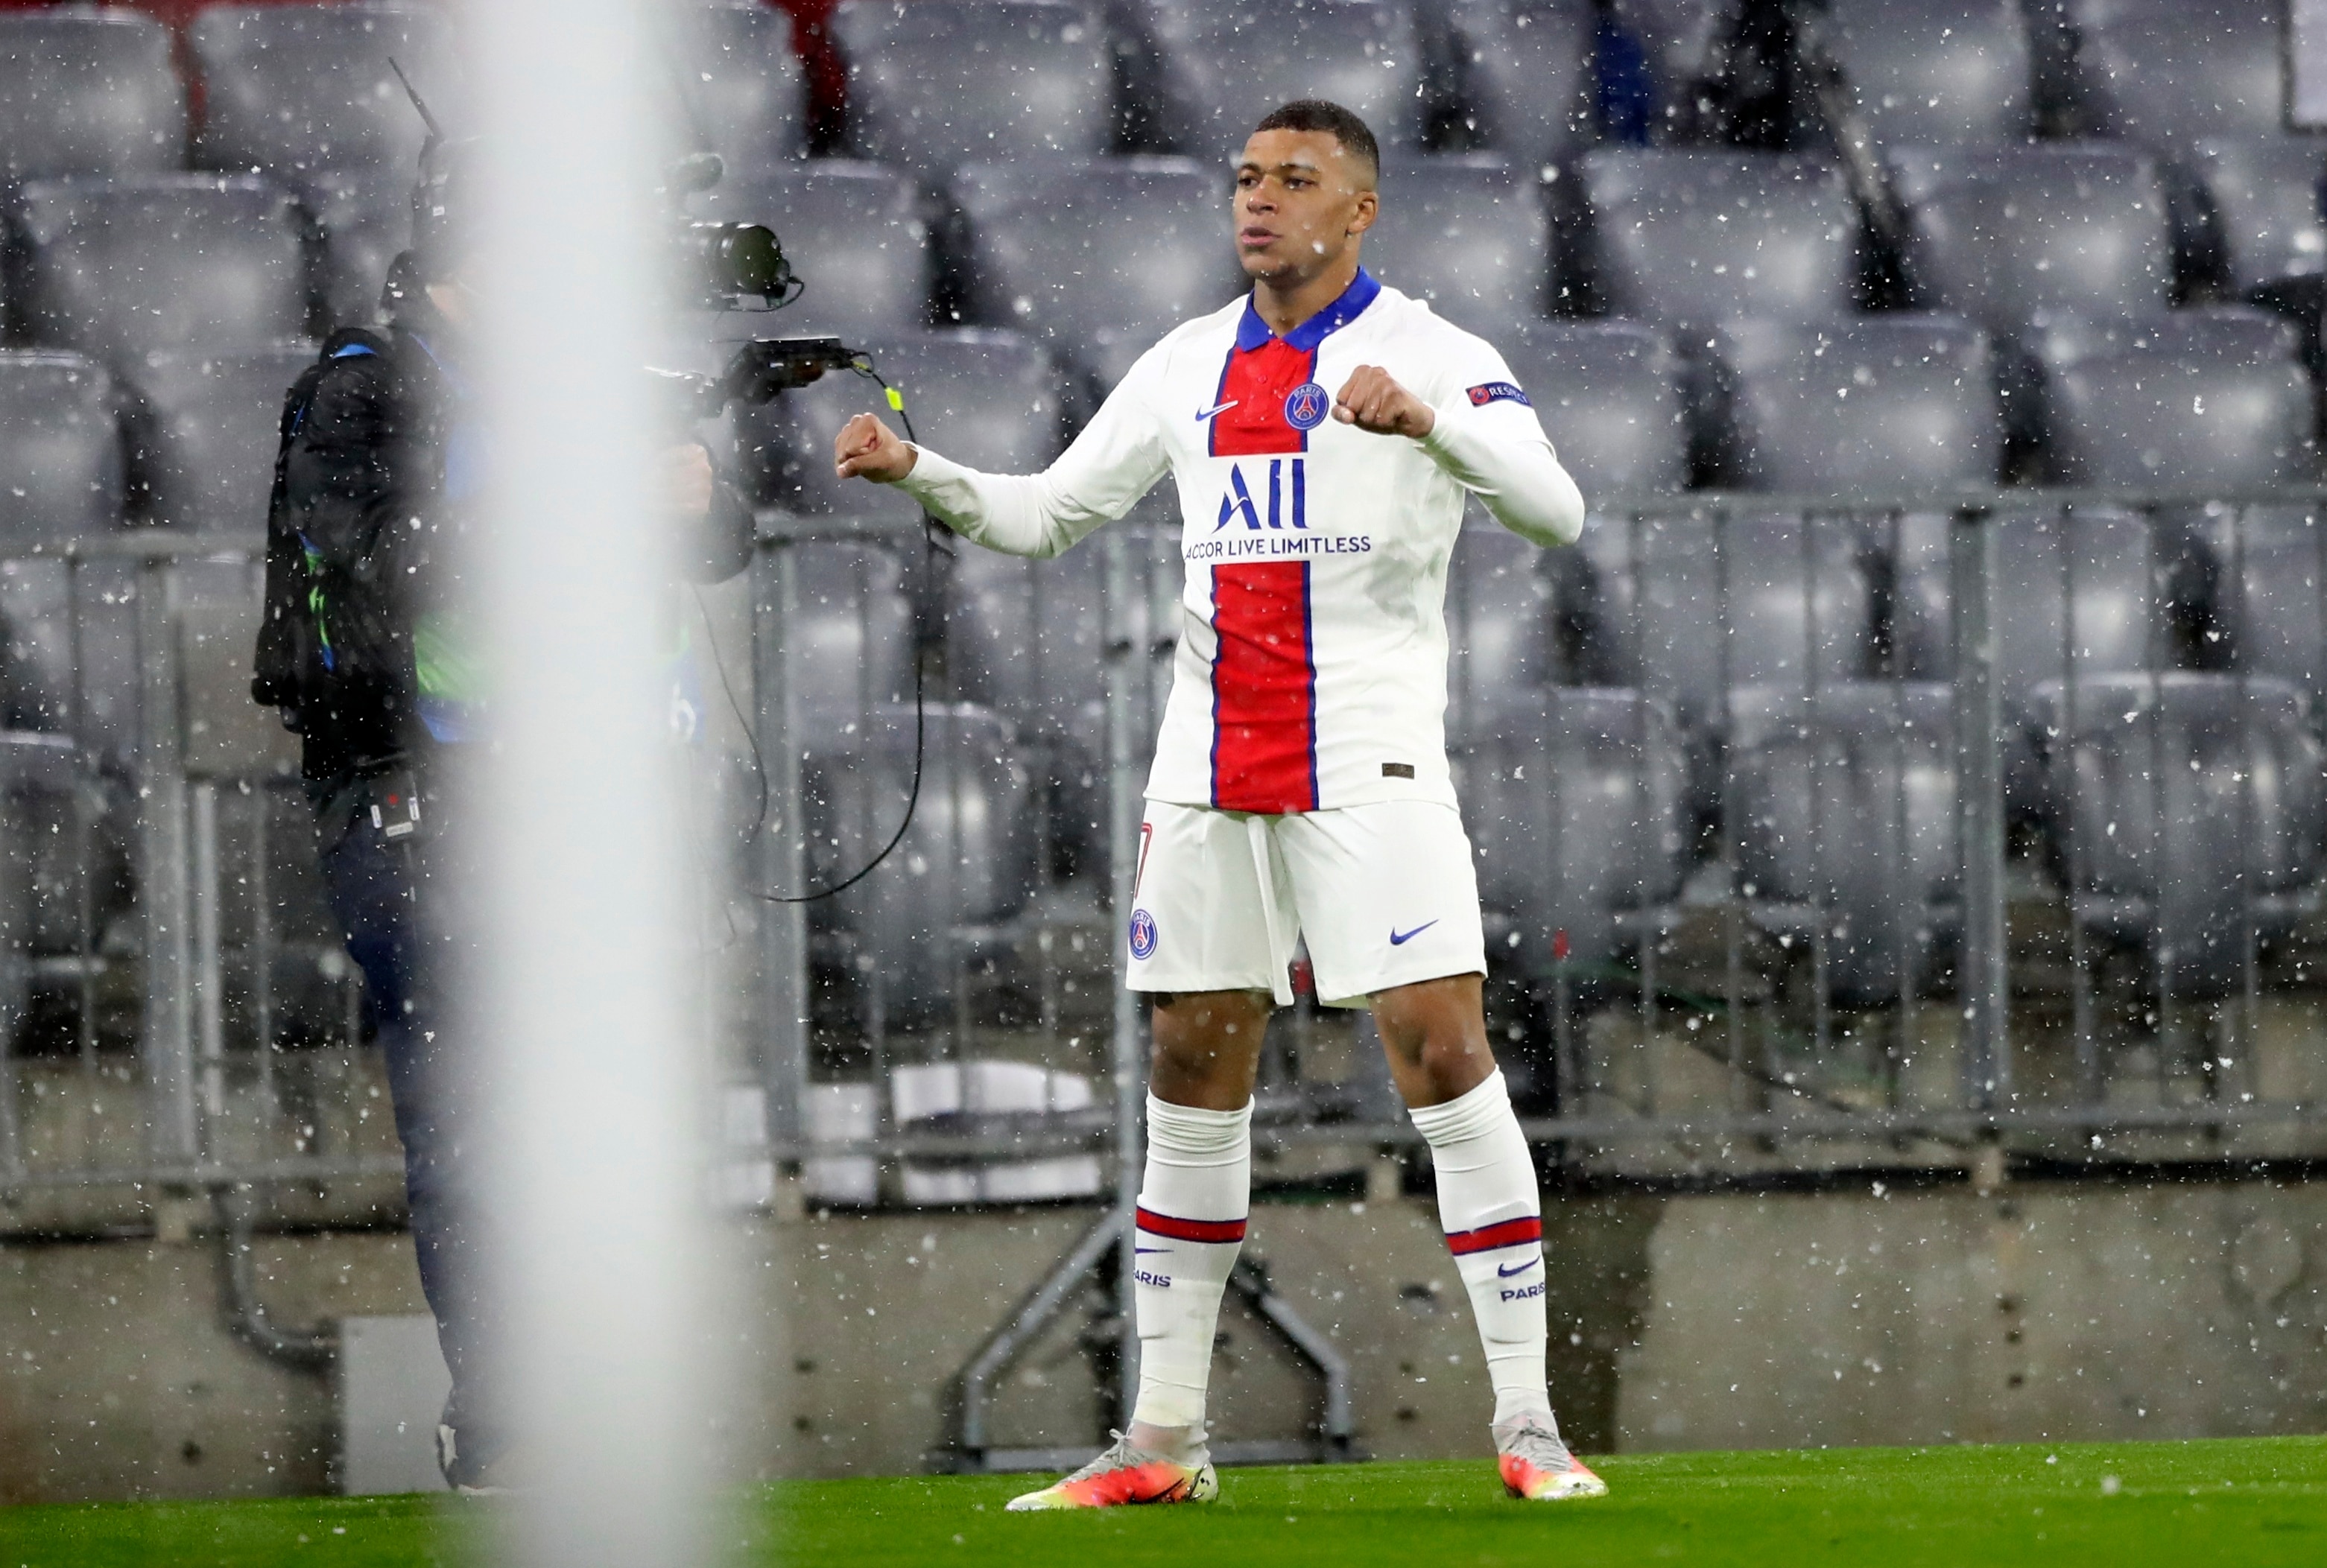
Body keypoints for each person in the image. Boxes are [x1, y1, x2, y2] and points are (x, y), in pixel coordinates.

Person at [833, 99, 1599, 1505]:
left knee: (1437, 1048)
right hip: (1205, 769)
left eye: (1295, 180)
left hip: (1368, 762)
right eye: (1247, 178)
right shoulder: (1188, 364)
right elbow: (1047, 513)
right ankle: (1164, 1438)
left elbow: (1558, 510)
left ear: (1358, 209)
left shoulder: (1435, 354)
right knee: (1192, 1062)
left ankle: (1531, 1425)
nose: (1259, 201)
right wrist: (922, 471)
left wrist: (1430, 427)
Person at [253, 152, 759, 1491]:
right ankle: (509, 1411)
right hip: (435, 796)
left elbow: (718, 535)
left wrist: (701, 499)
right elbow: (379, 561)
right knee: (475, 1107)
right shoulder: (363, 388)